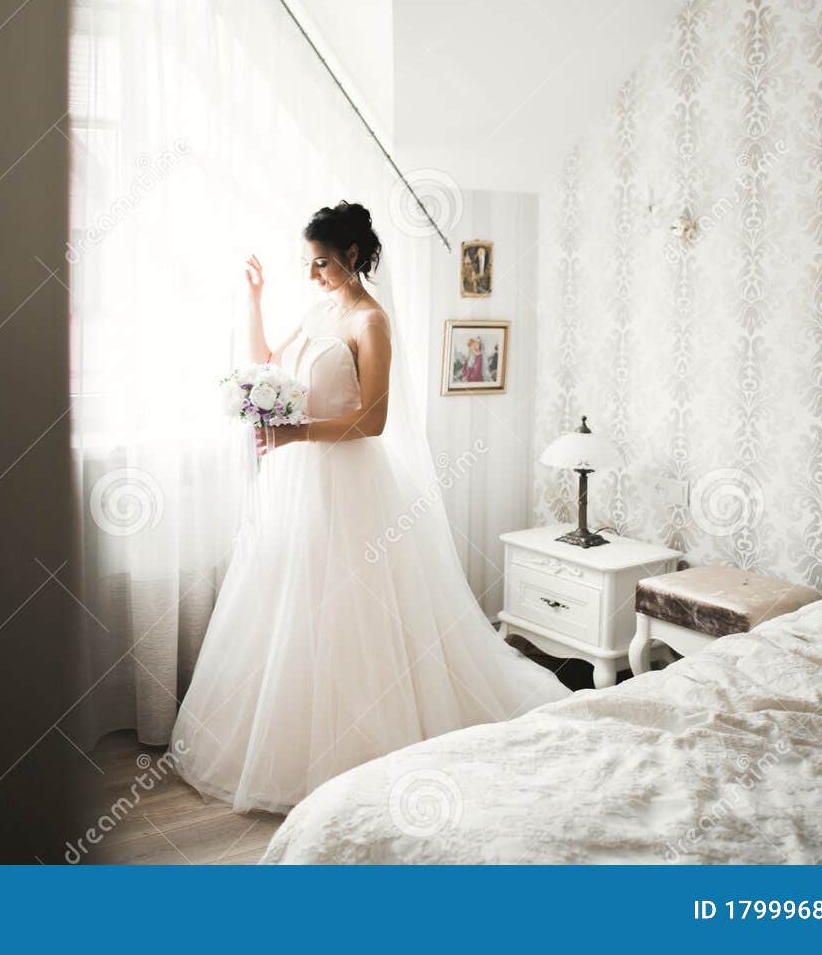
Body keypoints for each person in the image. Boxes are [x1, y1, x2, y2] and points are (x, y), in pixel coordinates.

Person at [171, 201, 569, 814]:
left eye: (322, 263)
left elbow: (374, 419)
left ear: (354, 256)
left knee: (355, 612)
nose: (314, 275)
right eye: (307, 264)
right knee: (292, 602)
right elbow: (268, 365)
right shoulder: (318, 310)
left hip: (350, 484)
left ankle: (368, 751)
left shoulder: (371, 323)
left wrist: (295, 434)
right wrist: (254, 300)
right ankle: (290, 745)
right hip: (298, 481)